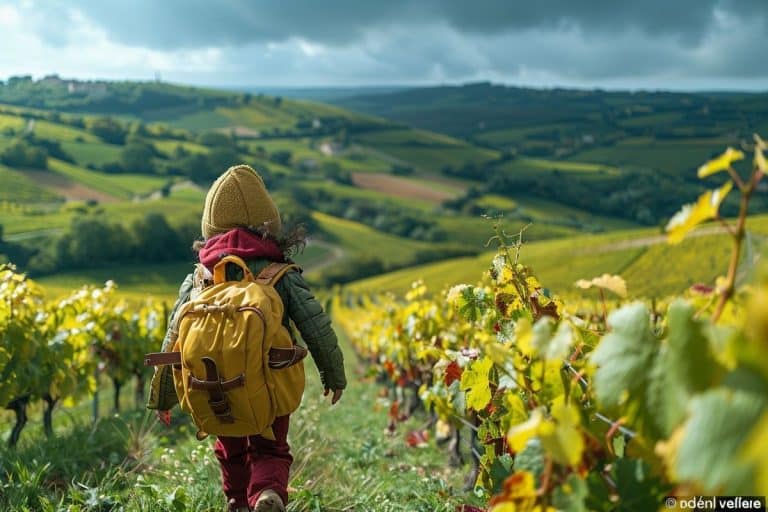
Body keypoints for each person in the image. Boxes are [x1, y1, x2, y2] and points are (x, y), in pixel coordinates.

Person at [147, 164, 347, 512]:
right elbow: (317, 328)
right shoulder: (279, 274)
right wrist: (333, 374)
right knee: (271, 448)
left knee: (230, 448)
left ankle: (238, 501)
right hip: (270, 381)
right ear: (269, 221)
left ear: (209, 226)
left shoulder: (200, 278)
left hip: (215, 383)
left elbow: (174, 338)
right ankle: (267, 492)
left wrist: (164, 395)